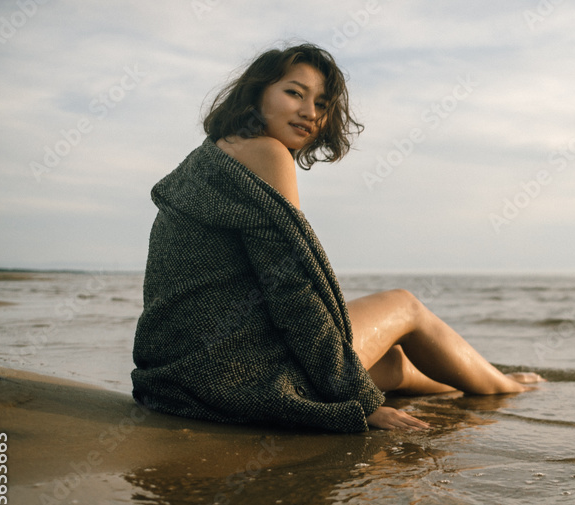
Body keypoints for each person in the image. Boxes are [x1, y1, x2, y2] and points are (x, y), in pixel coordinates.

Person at [131, 43, 542, 433]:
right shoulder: (266, 153)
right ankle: (506, 389)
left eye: (322, 104)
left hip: (176, 376)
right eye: (295, 93)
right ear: (256, 95)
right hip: (233, 378)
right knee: (405, 306)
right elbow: (291, 286)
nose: (310, 112)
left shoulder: (210, 158)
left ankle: (481, 379)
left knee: (392, 363)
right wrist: (363, 405)